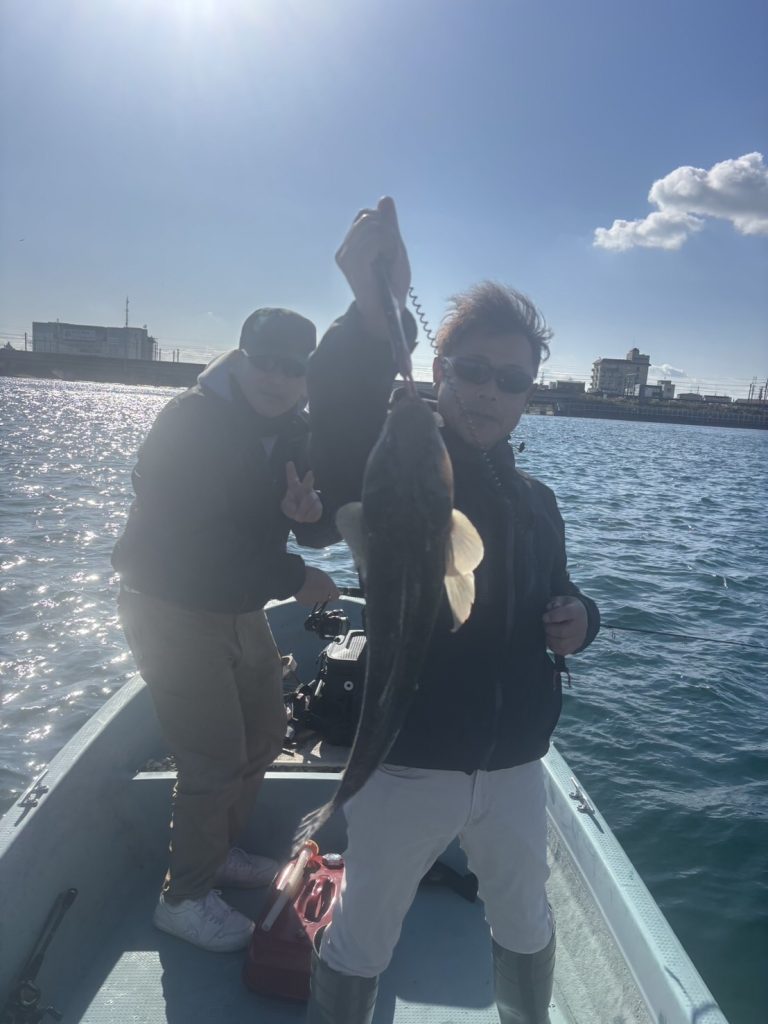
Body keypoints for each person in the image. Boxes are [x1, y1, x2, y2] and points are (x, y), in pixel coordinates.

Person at [305, 199, 601, 1023]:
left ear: (526, 395)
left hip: (512, 764)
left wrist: (583, 617)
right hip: (408, 759)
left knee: (524, 918)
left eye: (511, 381)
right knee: (364, 930)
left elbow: (562, 591)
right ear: (438, 369)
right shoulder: (406, 458)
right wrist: (373, 313)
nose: (489, 393)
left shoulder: (538, 500)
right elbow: (337, 436)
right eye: (471, 370)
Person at [112, 308, 340, 953]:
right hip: (169, 604)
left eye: (292, 368)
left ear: (305, 377)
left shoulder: (292, 432)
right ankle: (182, 899)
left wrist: (309, 514)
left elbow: (309, 520)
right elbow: (190, 541)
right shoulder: (188, 422)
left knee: (266, 730)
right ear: (240, 357)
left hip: (237, 606)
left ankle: (222, 854)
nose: (276, 377)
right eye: (264, 361)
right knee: (210, 758)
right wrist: (294, 575)